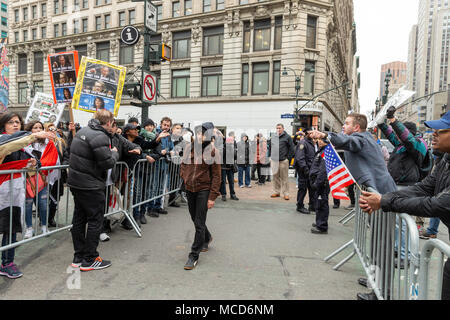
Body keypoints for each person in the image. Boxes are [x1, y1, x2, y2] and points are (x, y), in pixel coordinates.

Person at [359, 110, 450, 300]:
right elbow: (424, 188)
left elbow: (436, 205)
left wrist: (384, 201)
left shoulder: (416, 145)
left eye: (441, 130)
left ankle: (403, 255)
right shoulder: (444, 162)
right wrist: (384, 199)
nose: (434, 133)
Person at [310, 113, 397, 301]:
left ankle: (382, 292)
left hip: (381, 196)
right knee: (375, 244)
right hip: (377, 196)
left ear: (356, 127)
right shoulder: (364, 138)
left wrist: (326, 135)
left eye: (347, 123)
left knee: (382, 246)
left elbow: (348, 143)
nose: (344, 126)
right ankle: (375, 280)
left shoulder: (360, 139)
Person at [0, 113, 53, 279]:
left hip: (14, 194)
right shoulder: (3, 140)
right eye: (11, 122)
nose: (15, 125)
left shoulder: (24, 148)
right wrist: (34, 136)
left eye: (18, 122)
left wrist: (33, 164)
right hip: (3, 191)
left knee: (11, 228)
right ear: (3, 125)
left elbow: (29, 170)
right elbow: (6, 148)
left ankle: (7, 263)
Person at [67, 109, 119, 271]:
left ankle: (78, 257)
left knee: (79, 219)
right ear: (109, 122)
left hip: (77, 183)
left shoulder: (83, 131)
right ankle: (89, 259)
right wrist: (114, 153)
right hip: (90, 185)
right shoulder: (100, 135)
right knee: (95, 221)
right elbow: (107, 162)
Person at [377, 106, 430, 231]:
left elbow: (406, 137)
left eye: (400, 133)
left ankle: (403, 250)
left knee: (402, 220)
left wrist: (393, 120)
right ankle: (397, 247)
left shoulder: (417, 144)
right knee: (396, 220)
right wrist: (380, 122)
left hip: (406, 186)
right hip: (397, 184)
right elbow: (391, 135)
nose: (398, 136)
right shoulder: (402, 144)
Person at [180, 122, 221, 270]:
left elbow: (217, 176)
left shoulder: (213, 151)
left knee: (198, 221)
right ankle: (207, 237)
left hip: (204, 189)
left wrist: (212, 197)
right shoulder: (189, 148)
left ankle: (193, 255)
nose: (199, 136)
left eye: (203, 133)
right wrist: (184, 177)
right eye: (198, 133)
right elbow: (183, 165)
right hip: (190, 188)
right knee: (194, 218)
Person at [121, 123, 160, 224]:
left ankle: (131, 218)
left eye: (138, 129)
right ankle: (109, 222)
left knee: (130, 196)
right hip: (120, 172)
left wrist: (157, 139)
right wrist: (144, 156)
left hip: (132, 172)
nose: (137, 131)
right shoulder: (121, 139)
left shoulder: (138, 140)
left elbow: (148, 145)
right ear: (127, 131)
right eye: (134, 129)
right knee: (117, 195)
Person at [23, 121, 53, 238]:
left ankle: (44, 226)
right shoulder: (25, 143)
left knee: (43, 203)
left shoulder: (48, 143)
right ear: (30, 130)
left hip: (42, 178)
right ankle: (29, 228)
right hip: (28, 179)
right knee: (28, 204)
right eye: (35, 128)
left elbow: (53, 159)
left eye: (40, 127)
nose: (38, 129)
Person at [44, 122, 69, 228]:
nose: (53, 131)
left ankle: (50, 218)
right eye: (50, 129)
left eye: (54, 129)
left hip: (58, 175)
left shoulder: (60, 142)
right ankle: (43, 219)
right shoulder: (43, 143)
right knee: (43, 199)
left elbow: (67, 156)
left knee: (56, 197)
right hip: (44, 176)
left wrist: (63, 165)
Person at [147, 117, 173, 216]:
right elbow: (152, 146)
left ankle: (158, 206)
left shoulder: (169, 135)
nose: (166, 127)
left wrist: (169, 151)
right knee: (153, 186)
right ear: (161, 124)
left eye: (168, 125)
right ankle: (150, 208)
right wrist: (161, 150)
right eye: (164, 125)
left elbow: (171, 147)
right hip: (156, 164)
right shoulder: (155, 133)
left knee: (160, 187)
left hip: (164, 164)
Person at [309, 138, 330, 234]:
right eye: (319, 140)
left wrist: (318, 183)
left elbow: (323, 170)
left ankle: (322, 226)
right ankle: (319, 221)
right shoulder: (321, 151)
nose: (320, 141)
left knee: (322, 204)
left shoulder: (326, 152)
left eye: (323, 140)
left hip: (322, 183)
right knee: (319, 204)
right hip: (318, 182)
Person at [270, 124, 295, 201]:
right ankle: (276, 192)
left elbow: (292, 149)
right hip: (274, 160)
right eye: (277, 128)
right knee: (275, 177)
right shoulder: (273, 136)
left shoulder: (287, 137)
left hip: (283, 161)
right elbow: (270, 147)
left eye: (279, 128)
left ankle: (286, 193)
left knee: (284, 178)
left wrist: (288, 159)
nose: (278, 129)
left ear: (283, 129)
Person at [294, 129, 316, 213]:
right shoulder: (303, 143)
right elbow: (300, 158)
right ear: (306, 134)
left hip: (311, 169)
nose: (313, 134)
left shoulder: (311, 143)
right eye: (311, 133)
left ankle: (312, 205)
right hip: (304, 169)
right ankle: (299, 206)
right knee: (302, 188)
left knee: (311, 188)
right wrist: (305, 169)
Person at [220, 131, 239, 201]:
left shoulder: (234, 147)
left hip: (230, 167)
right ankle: (223, 194)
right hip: (223, 166)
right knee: (223, 181)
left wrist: (233, 151)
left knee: (231, 181)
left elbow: (235, 157)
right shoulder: (223, 147)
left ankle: (232, 194)